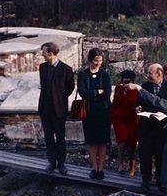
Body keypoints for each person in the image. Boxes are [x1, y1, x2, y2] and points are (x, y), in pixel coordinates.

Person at [138, 63, 167, 192]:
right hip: (146, 127)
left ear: (159, 74)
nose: (148, 75)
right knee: (145, 154)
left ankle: (161, 180)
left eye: (150, 73)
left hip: (162, 127)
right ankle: (146, 179)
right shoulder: (145, 86)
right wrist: (137, 107)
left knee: (161, 154)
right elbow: (138, 101)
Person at [37, 42, 75, 175]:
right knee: (48, 137)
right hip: (45, 109)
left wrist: (59, 98)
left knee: (60, 137)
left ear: (50, 53)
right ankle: (51, 162)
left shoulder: (66, 69)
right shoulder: (42, 67)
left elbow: (70, 88)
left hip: (58, 110)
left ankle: (62, 164)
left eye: (43, 52)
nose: (42, 54)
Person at [77, 48, 112, 180]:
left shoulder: (105, 75)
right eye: (96, 60)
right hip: (89, 112)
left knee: (102, 141)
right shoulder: (83, 75)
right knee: (91, 141)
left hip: (103, 112)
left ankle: (101, 169)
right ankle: (94, 167)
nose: (98, 63)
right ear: (90, 60)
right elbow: (82, 92)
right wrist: (97, 92)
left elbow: (108, 93)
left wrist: (92, 93)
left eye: (100, 60)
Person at [111, 70, 139, 176]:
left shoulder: (136, 90)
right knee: (122, 139)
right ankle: (120, 163)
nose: (126, 83)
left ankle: (132, 166)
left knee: (132, 142)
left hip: (132, 119)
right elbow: (115, 102)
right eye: (124, 81)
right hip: (119, 118)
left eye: (128, 81)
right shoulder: (119, 88)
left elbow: (138, 103)